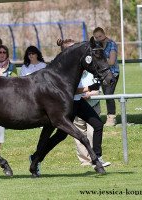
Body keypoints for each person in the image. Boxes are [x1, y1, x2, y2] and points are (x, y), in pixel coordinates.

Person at [29, 39, 111, 175]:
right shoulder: (61, 68)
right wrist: (89, 88)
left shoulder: (80, 64)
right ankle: (36, 157)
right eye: (73, 47)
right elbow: (69, 90)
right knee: (59, 135)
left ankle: (97, 157)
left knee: (97, 124)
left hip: (79, 102)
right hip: (67, 104)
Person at [73, 70, 109, 166]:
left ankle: (96, 158)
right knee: (79, 135)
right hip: (77, 107)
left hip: (92, 107)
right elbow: (72, 90)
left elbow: (98, 90)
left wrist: (89, 93)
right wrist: (87, 90)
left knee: (93, 132)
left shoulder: (92, 74)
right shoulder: (74, 73)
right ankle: (85, 161)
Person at [93, 27, 119, 126]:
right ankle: (95, 115)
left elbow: (112, 62)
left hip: (112, 73)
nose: (99, 38)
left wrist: (99, 61)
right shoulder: (96, 45)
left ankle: (111, 118)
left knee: (108, 94)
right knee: (96, 93)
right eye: (96, 37)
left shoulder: (112, 44)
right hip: (100, 74)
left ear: (104, 34)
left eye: (100, 36)